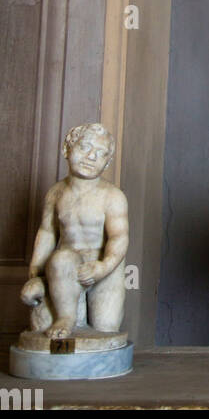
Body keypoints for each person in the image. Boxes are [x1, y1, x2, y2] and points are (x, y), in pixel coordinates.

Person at [21, 122, 129, 339]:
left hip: (104, 267)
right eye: (85, 147)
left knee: (106, 329)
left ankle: (57, 297)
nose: (91, 157)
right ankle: (65, 316)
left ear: (107, 163)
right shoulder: (56, 193)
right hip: (67, 265)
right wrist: (36, 267)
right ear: (67, 150)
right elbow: (48, 232)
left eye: (100, 154)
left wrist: (103, 267)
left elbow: (119, 237)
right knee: (61, 260)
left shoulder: (112, 196)